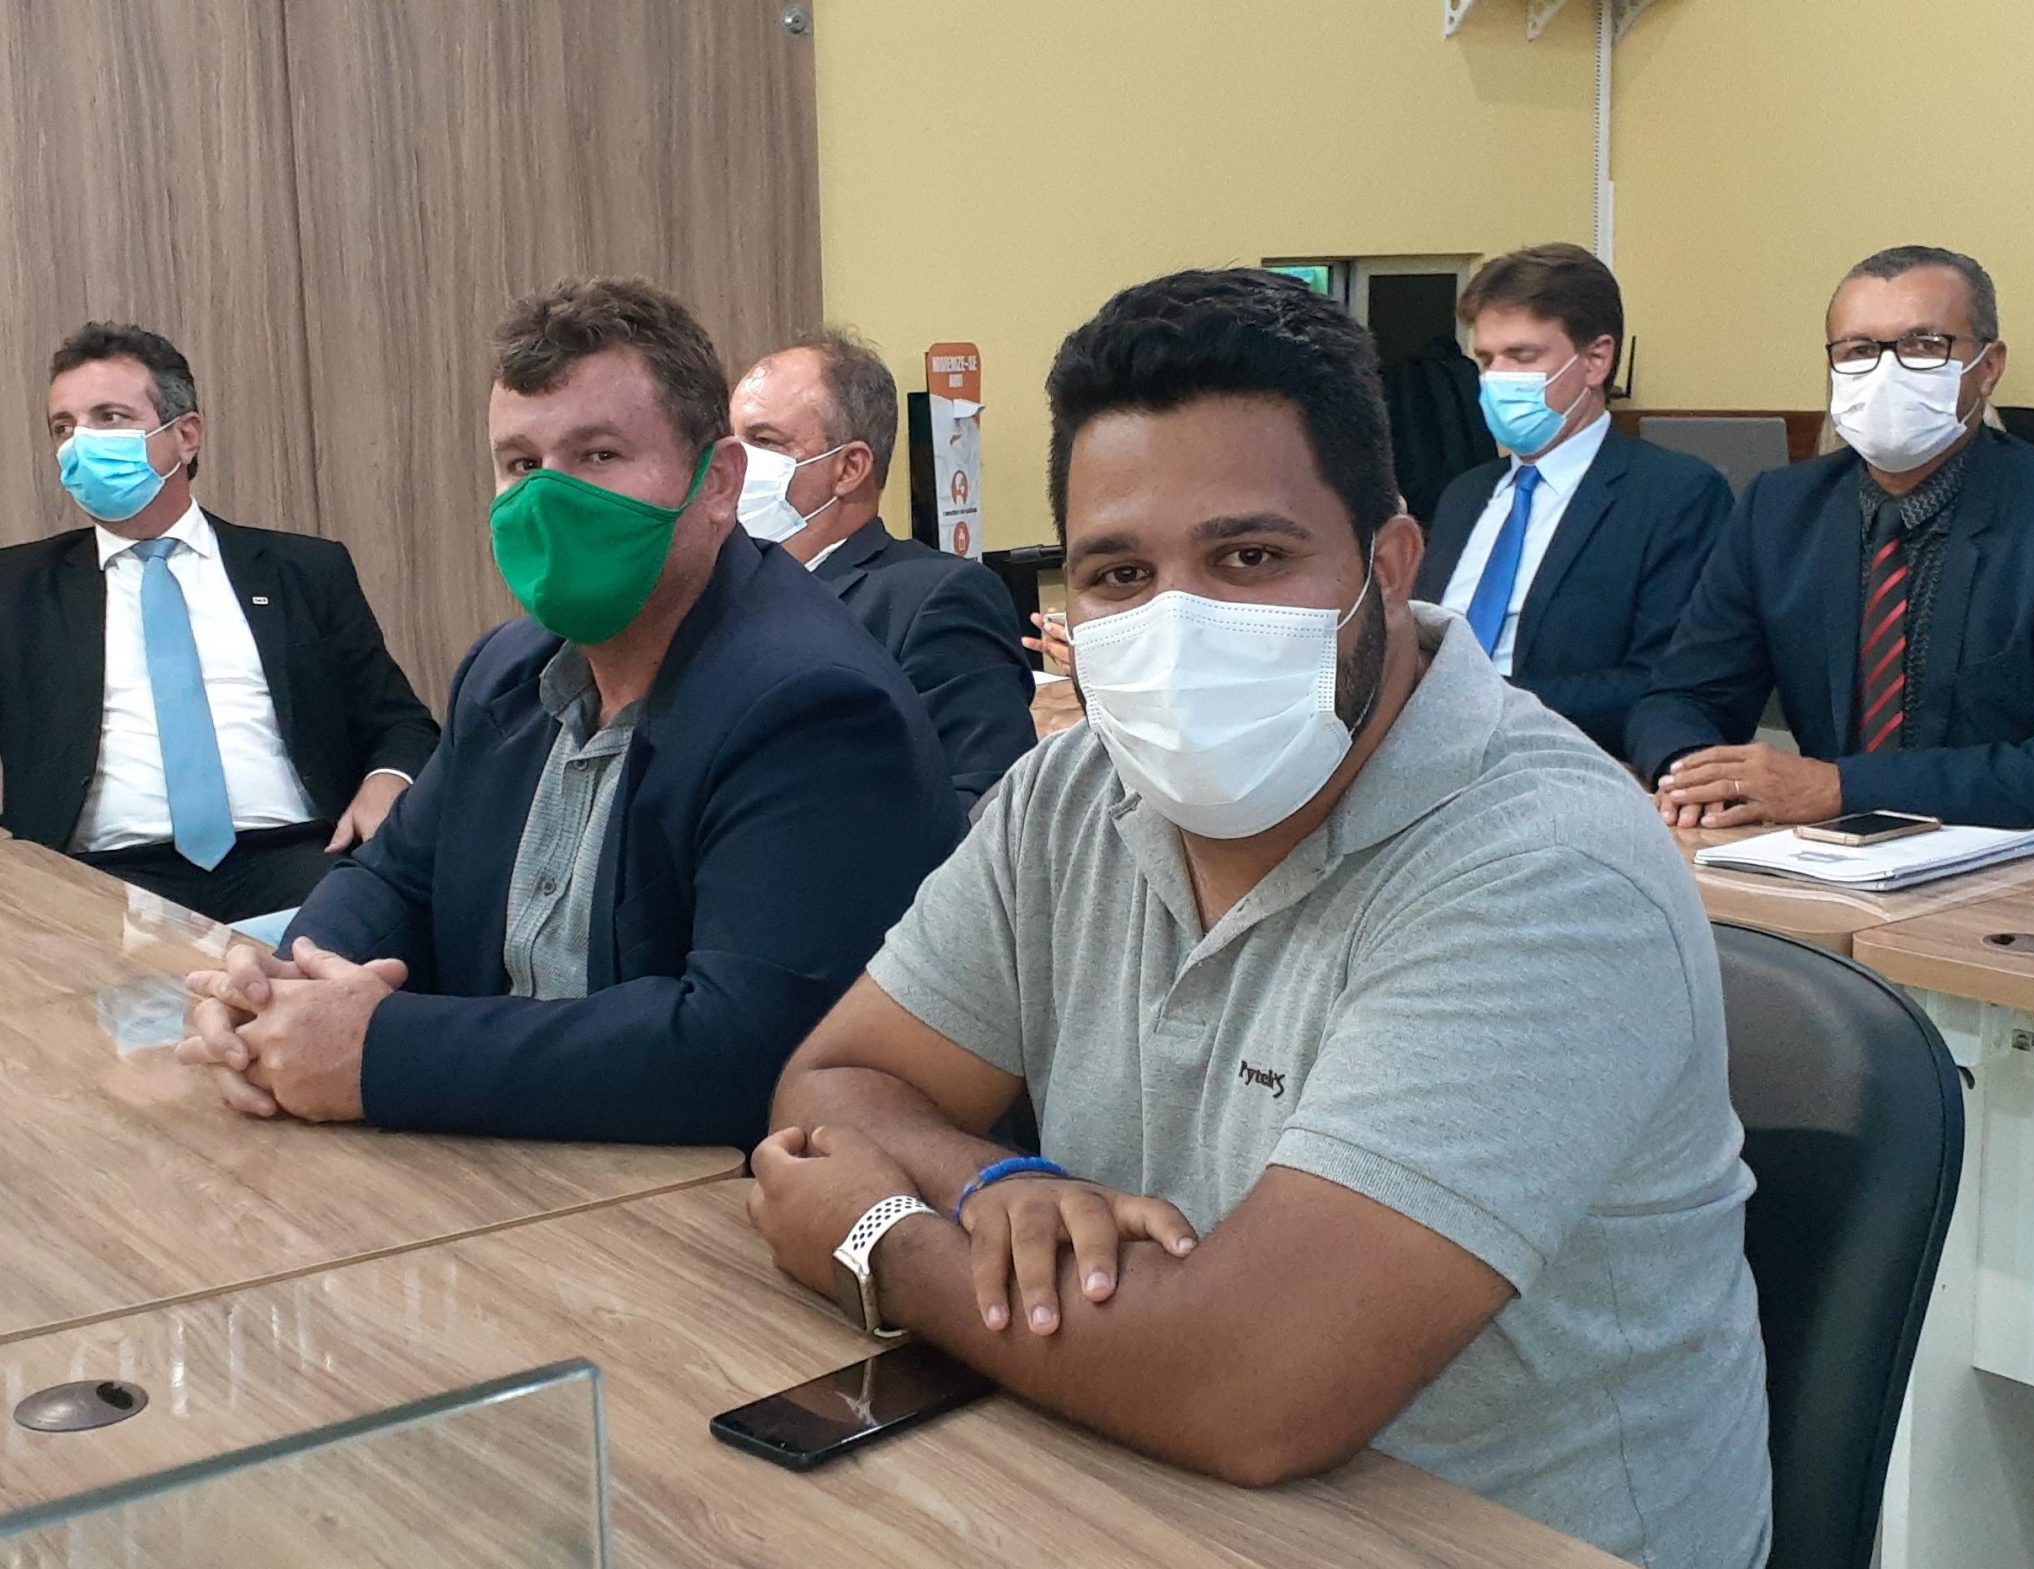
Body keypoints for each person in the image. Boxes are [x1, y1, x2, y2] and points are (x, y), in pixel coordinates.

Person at [746, 268, 1771, 1569]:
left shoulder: (1545, 864)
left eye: (1249, 558)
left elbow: (1255, 1387)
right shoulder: (1069, 791)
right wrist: (1001, 1184)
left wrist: (882, 1240)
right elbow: (836, 1087)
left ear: (1387, 567)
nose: (1178, 624)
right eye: (1119, 573)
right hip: (1135, 1476)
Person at [174, 278, 962, 1148]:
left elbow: (740, 1049)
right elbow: (395, 879)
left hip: (707, 1196)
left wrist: (376, 1051)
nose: (548, 499)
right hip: (508, 1164)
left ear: (718, 482)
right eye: (521, 464)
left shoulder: (811, 702)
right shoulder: (504, 672)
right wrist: (280, 989)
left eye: (597, 455)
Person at [1630, 245, 2034, 832]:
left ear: (1989, 367)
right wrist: (1698, 777)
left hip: (2025, 854)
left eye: (1923, 345)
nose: (1887, 372)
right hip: (1825, 855)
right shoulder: (1777, 510)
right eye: (1858, 350)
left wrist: (1840, 788)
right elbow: (1681, 698)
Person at [0, 324, 438, 923]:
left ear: (185, 436)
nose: (81, 444)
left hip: (298, 854)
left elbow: (400, 723)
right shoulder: (16, 587)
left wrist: (386, 783)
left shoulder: (302, 570)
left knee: (374, 937)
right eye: (64, 427)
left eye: (109, 418)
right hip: (101, 876)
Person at [1415, 243, 1731, 760]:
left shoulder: (1674, 494)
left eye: (1522, 357)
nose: (1497, 379)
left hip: (1559, 764)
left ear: (1596, 360)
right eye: (1486, 360)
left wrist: (1478, 703)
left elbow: (1664, 685)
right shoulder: (1465, 495)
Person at [731, 330, 1035, 806]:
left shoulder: (935, 597)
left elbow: (984, 804)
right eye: (730, 440)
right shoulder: (721, 598)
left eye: (764, 442)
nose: (733, 463)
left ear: (849, 468)